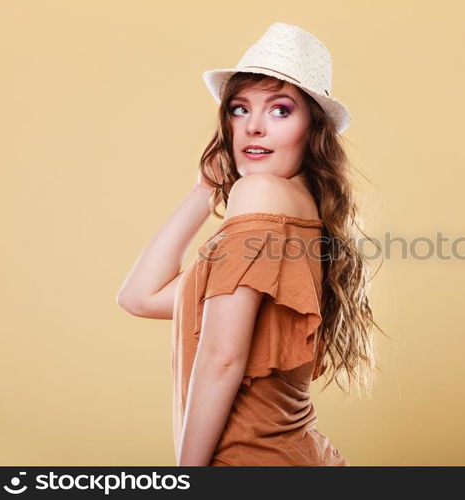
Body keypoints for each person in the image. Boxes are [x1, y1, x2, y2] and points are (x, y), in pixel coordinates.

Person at [116, 22, 385, 466]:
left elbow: (223, 357)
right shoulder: (302, 211)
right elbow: (139, 298)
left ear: (311, 128)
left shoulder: (260, 197)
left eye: (280, 110)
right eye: (239, 109)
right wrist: (206, 188)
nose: (254, 127)